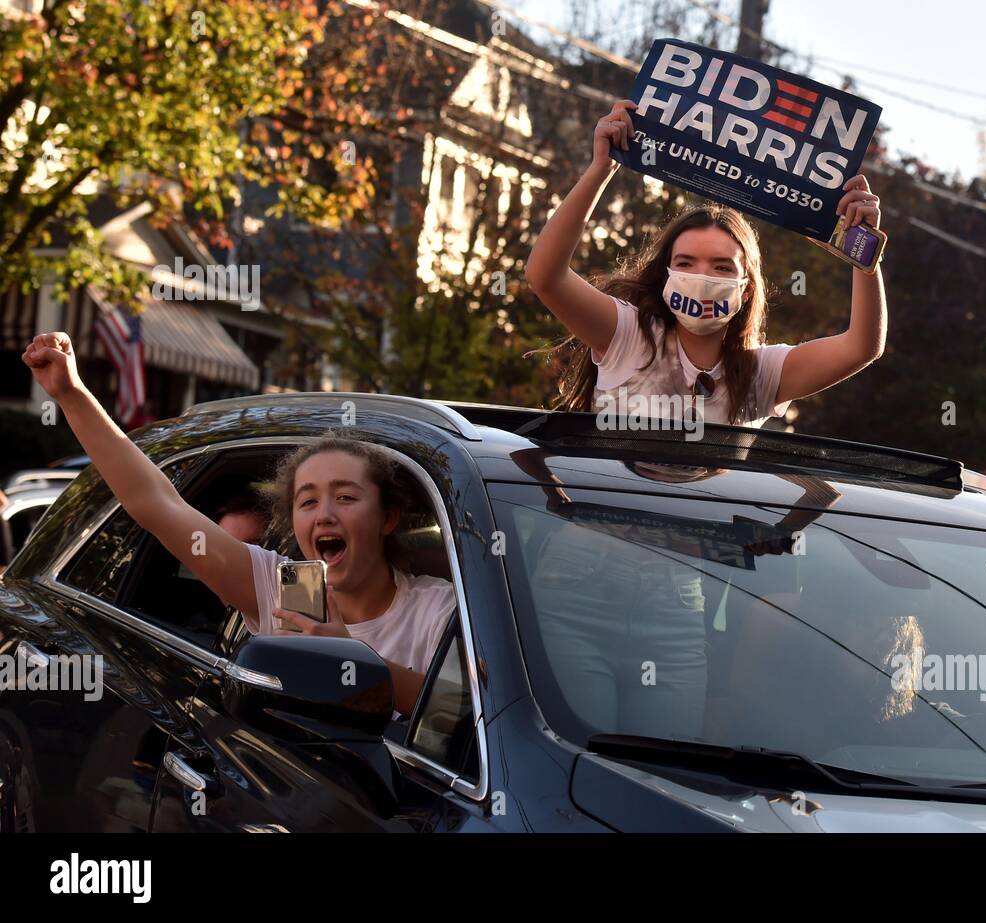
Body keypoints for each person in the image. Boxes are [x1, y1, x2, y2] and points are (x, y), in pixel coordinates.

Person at [21, 331, 456, 718]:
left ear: (388, 518)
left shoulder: (438, 611)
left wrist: (357, 663)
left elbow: (467, 720)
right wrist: (72, 394)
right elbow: (155, 504)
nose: (324, 513)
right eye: (307, 501)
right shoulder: (286, 590)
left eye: (345, 497)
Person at [526, 99, 888, 429]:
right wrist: (600, 170)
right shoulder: (628, 336)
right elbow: (545, 277)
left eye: (721, 267)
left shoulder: (761, 373)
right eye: (686, 262)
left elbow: (861, 347)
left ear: (746, 290)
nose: (701, 277)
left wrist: (863, 248)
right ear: (666, 274)